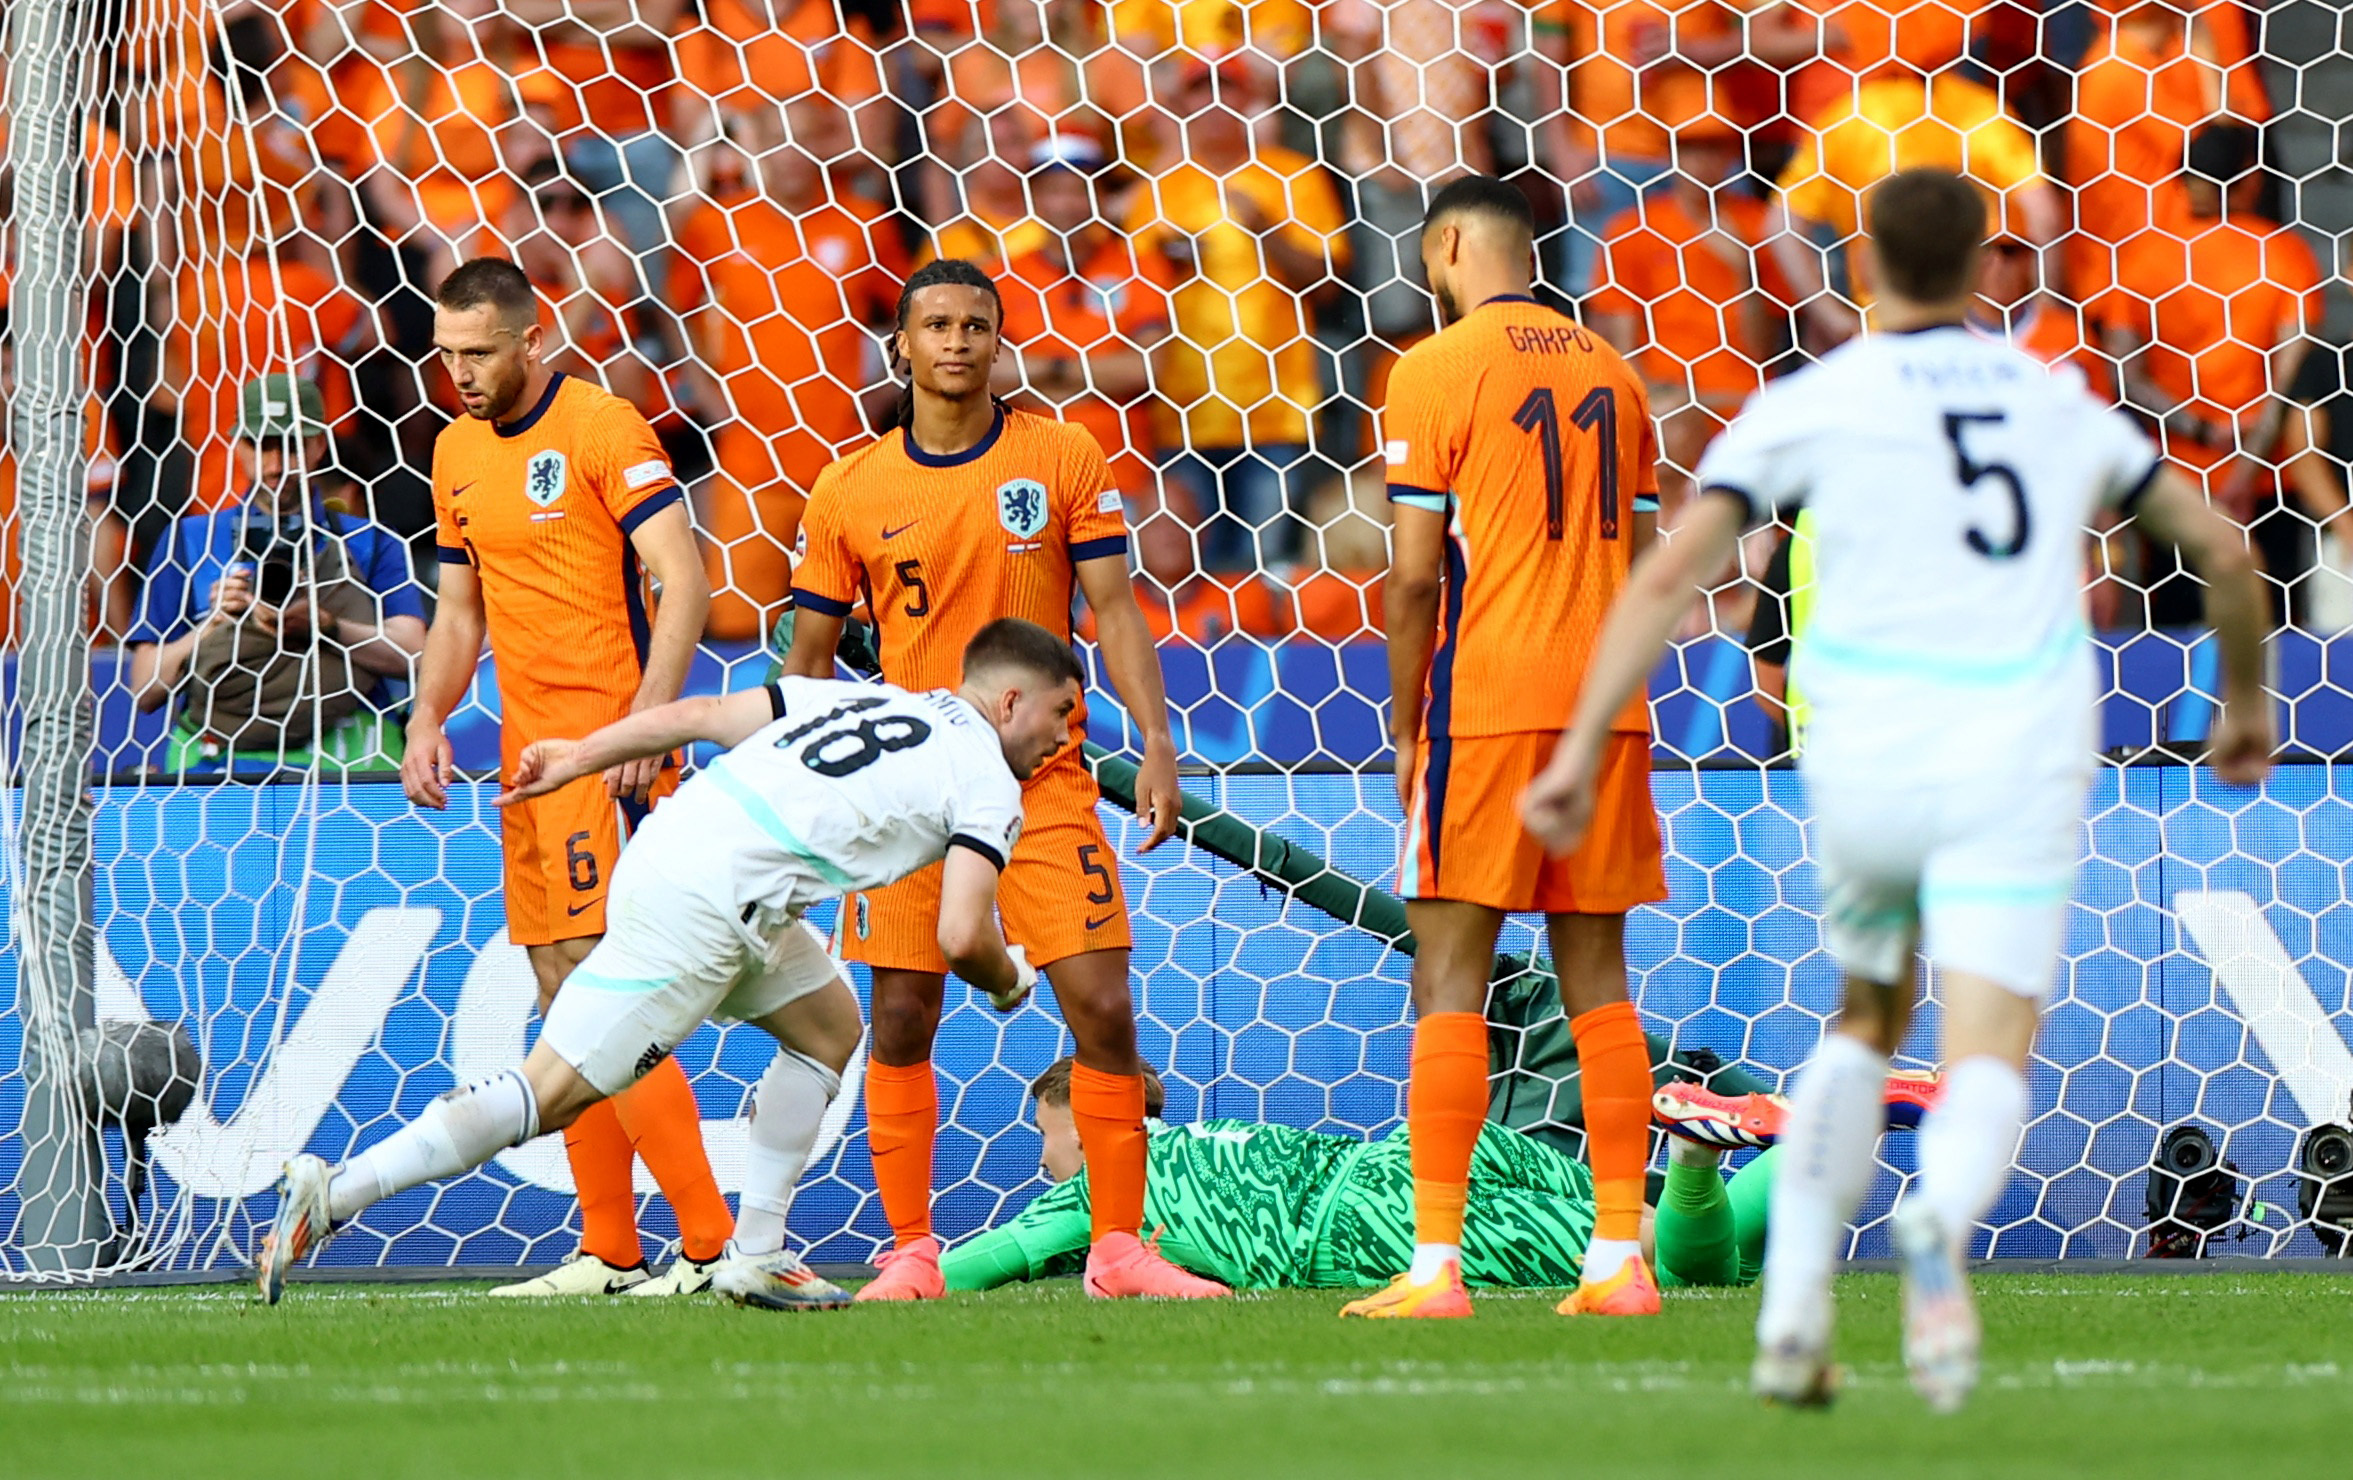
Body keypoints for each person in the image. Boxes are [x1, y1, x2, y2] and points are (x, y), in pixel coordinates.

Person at [1521, 168, 2273, 1411]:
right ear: (1987, 266)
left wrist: (1576, 745)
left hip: (1865, 750)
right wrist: (2242, 704)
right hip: (2015, 751)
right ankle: (1936, 1226)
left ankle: (1797, 1306)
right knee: (1988, 1045)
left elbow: (1667, 580)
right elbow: (2225, 556)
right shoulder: (2053, 400)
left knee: (1865, 1018)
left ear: (1860, 264)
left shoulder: (1811, 402)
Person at [257, 619, 1084, 1307]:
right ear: (1009, 700)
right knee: (547, 1095)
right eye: (1060, 714)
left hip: (688, 852)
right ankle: (331, 1197)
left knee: (830, 1028)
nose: (1063, 738)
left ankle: (756, 1253)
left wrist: (580, 756)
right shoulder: (985, 784)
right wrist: (1010, 979)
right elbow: (961, 934)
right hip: (713, 904)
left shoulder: (862, 698)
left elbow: (698, 714)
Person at [780, 258, 1222, 1303]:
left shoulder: (1061, 452)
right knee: (898, 1014)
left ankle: (1118, 1250)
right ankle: (910, 1251)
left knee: (1102, 1004)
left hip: (1046, 783)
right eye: (935, 324)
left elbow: (1114, 609)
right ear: (902, 344)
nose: (956, 342)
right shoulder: (847, 485)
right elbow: (805, 660)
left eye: (976, 324)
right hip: (907, 790)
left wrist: (1156, 741)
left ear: (999, 339)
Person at [399, 259, 733, 1299]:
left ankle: (719, 1246)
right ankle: (608, 1247)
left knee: (600, 984)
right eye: (447, 354)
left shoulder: (602, 428)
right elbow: (461, 614)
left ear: (531, 341)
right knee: (560, 994)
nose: (459, 373)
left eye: (479, 352)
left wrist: (648, 724)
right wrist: (427, 714)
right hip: (527, 759)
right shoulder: (453, 449)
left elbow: (685, 578)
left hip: (609, 753)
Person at [1363, 176, 1666, 1321]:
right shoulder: (1615, 369)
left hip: (1483, 704)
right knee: (1599, 982)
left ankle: (1435, 1266)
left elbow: (1410, 573)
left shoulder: (1431, 367)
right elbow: (1644, 566)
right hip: (1604, 709)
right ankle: (1617, 1260)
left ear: (1444, 246)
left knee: (1451, 971)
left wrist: (1403, 723)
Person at [941, 1057, 1786, 1294]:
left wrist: (896, 1273)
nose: (1041, 1159)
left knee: (1667, 1268)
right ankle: (1828, 1124)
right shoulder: (1200, 1135)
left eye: (1047, 1136)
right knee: (1688, 1251)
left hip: (1367, 1218)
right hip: (1409, 1151)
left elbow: (975, 1265)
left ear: (1089, 1134)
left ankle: (1695, 1154)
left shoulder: (1094, 1191)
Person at [126, 375, 425, 772]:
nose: (275, 466)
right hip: (223, 764)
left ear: (320, 445)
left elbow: (416, 654)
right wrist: (213, 625)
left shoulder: (369, 542)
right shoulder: (191, 539)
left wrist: (327, 627)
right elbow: (144, 691)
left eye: (291, 447)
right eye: (261, 446)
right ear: (238, 447)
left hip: (348, 765)